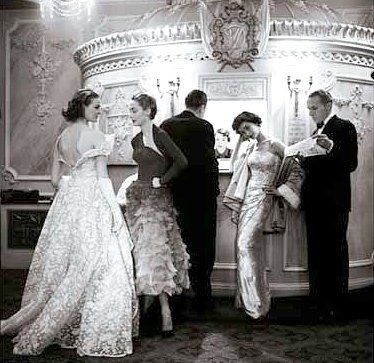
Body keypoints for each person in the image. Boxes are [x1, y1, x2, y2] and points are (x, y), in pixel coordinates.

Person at [0, 89, 138, 357]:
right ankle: (90, 322)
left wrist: (73, 184)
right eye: (96, 107)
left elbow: (54, 181)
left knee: (69, 263)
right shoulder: (96, 136)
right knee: (101, 262)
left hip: (68, 202)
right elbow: (102, 178)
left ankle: (59, 319)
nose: (100, 111)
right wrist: (115, 214)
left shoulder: (61, 138)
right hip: (93, 202)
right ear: (83, 107)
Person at [223, 111, 303, 320]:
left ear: (257, 122)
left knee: (245, 245)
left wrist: (282, 190)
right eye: (242, 132)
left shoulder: (276, 145)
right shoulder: (250, 146)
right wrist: (242, 143)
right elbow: (237, 170)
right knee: (246, 247)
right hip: (248, 198)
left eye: (247, 128)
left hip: (264, 201)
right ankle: (252, 299)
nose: (246, 134)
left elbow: (297, 169)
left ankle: (256, 304)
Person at [125, 93, 190, 336]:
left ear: (147, 110)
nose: (130, 114)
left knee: (157, 253)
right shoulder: (135, 140)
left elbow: (181, 161)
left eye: (133, 110)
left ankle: (165, 312)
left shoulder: (160, 135)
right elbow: (142, 167)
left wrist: (161, 181)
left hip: (156, 201)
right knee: (139, 252)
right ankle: (143, 309)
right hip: (137, 200)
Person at [301, 89, 358, 320]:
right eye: (309, 109)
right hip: (313, 201)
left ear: (328, 105)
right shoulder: (315, 132)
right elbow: (317, 169)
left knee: (335, 252)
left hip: (334, 202)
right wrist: (303, 159)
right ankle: (317, 299)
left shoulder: (344, 127)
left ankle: (337, 302)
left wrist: (332, 147)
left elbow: (351, 163)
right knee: (315, 251)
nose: (311, 112)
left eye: (314, 108)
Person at [160, 89, 219, 311]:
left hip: (175, 194)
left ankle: (176, 297)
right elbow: (209, 162)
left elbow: (164, 158)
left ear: (185, 103)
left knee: (176, 242)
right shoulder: (204, 126)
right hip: (201, 196)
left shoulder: (167, 124)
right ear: (203, 106)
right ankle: (203, 297)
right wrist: (213, 192)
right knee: (203, 246)